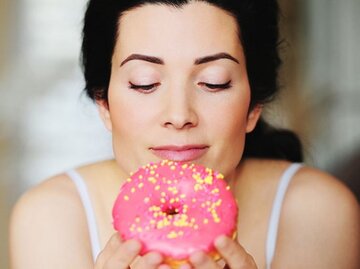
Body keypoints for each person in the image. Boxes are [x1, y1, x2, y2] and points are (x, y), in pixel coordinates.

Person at [9, 0, 360, 268]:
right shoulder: (51, 217)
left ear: (254, 105)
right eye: (144, 83)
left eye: (214, 82)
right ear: (105, 103)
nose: (179, 116)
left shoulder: (318, 213)